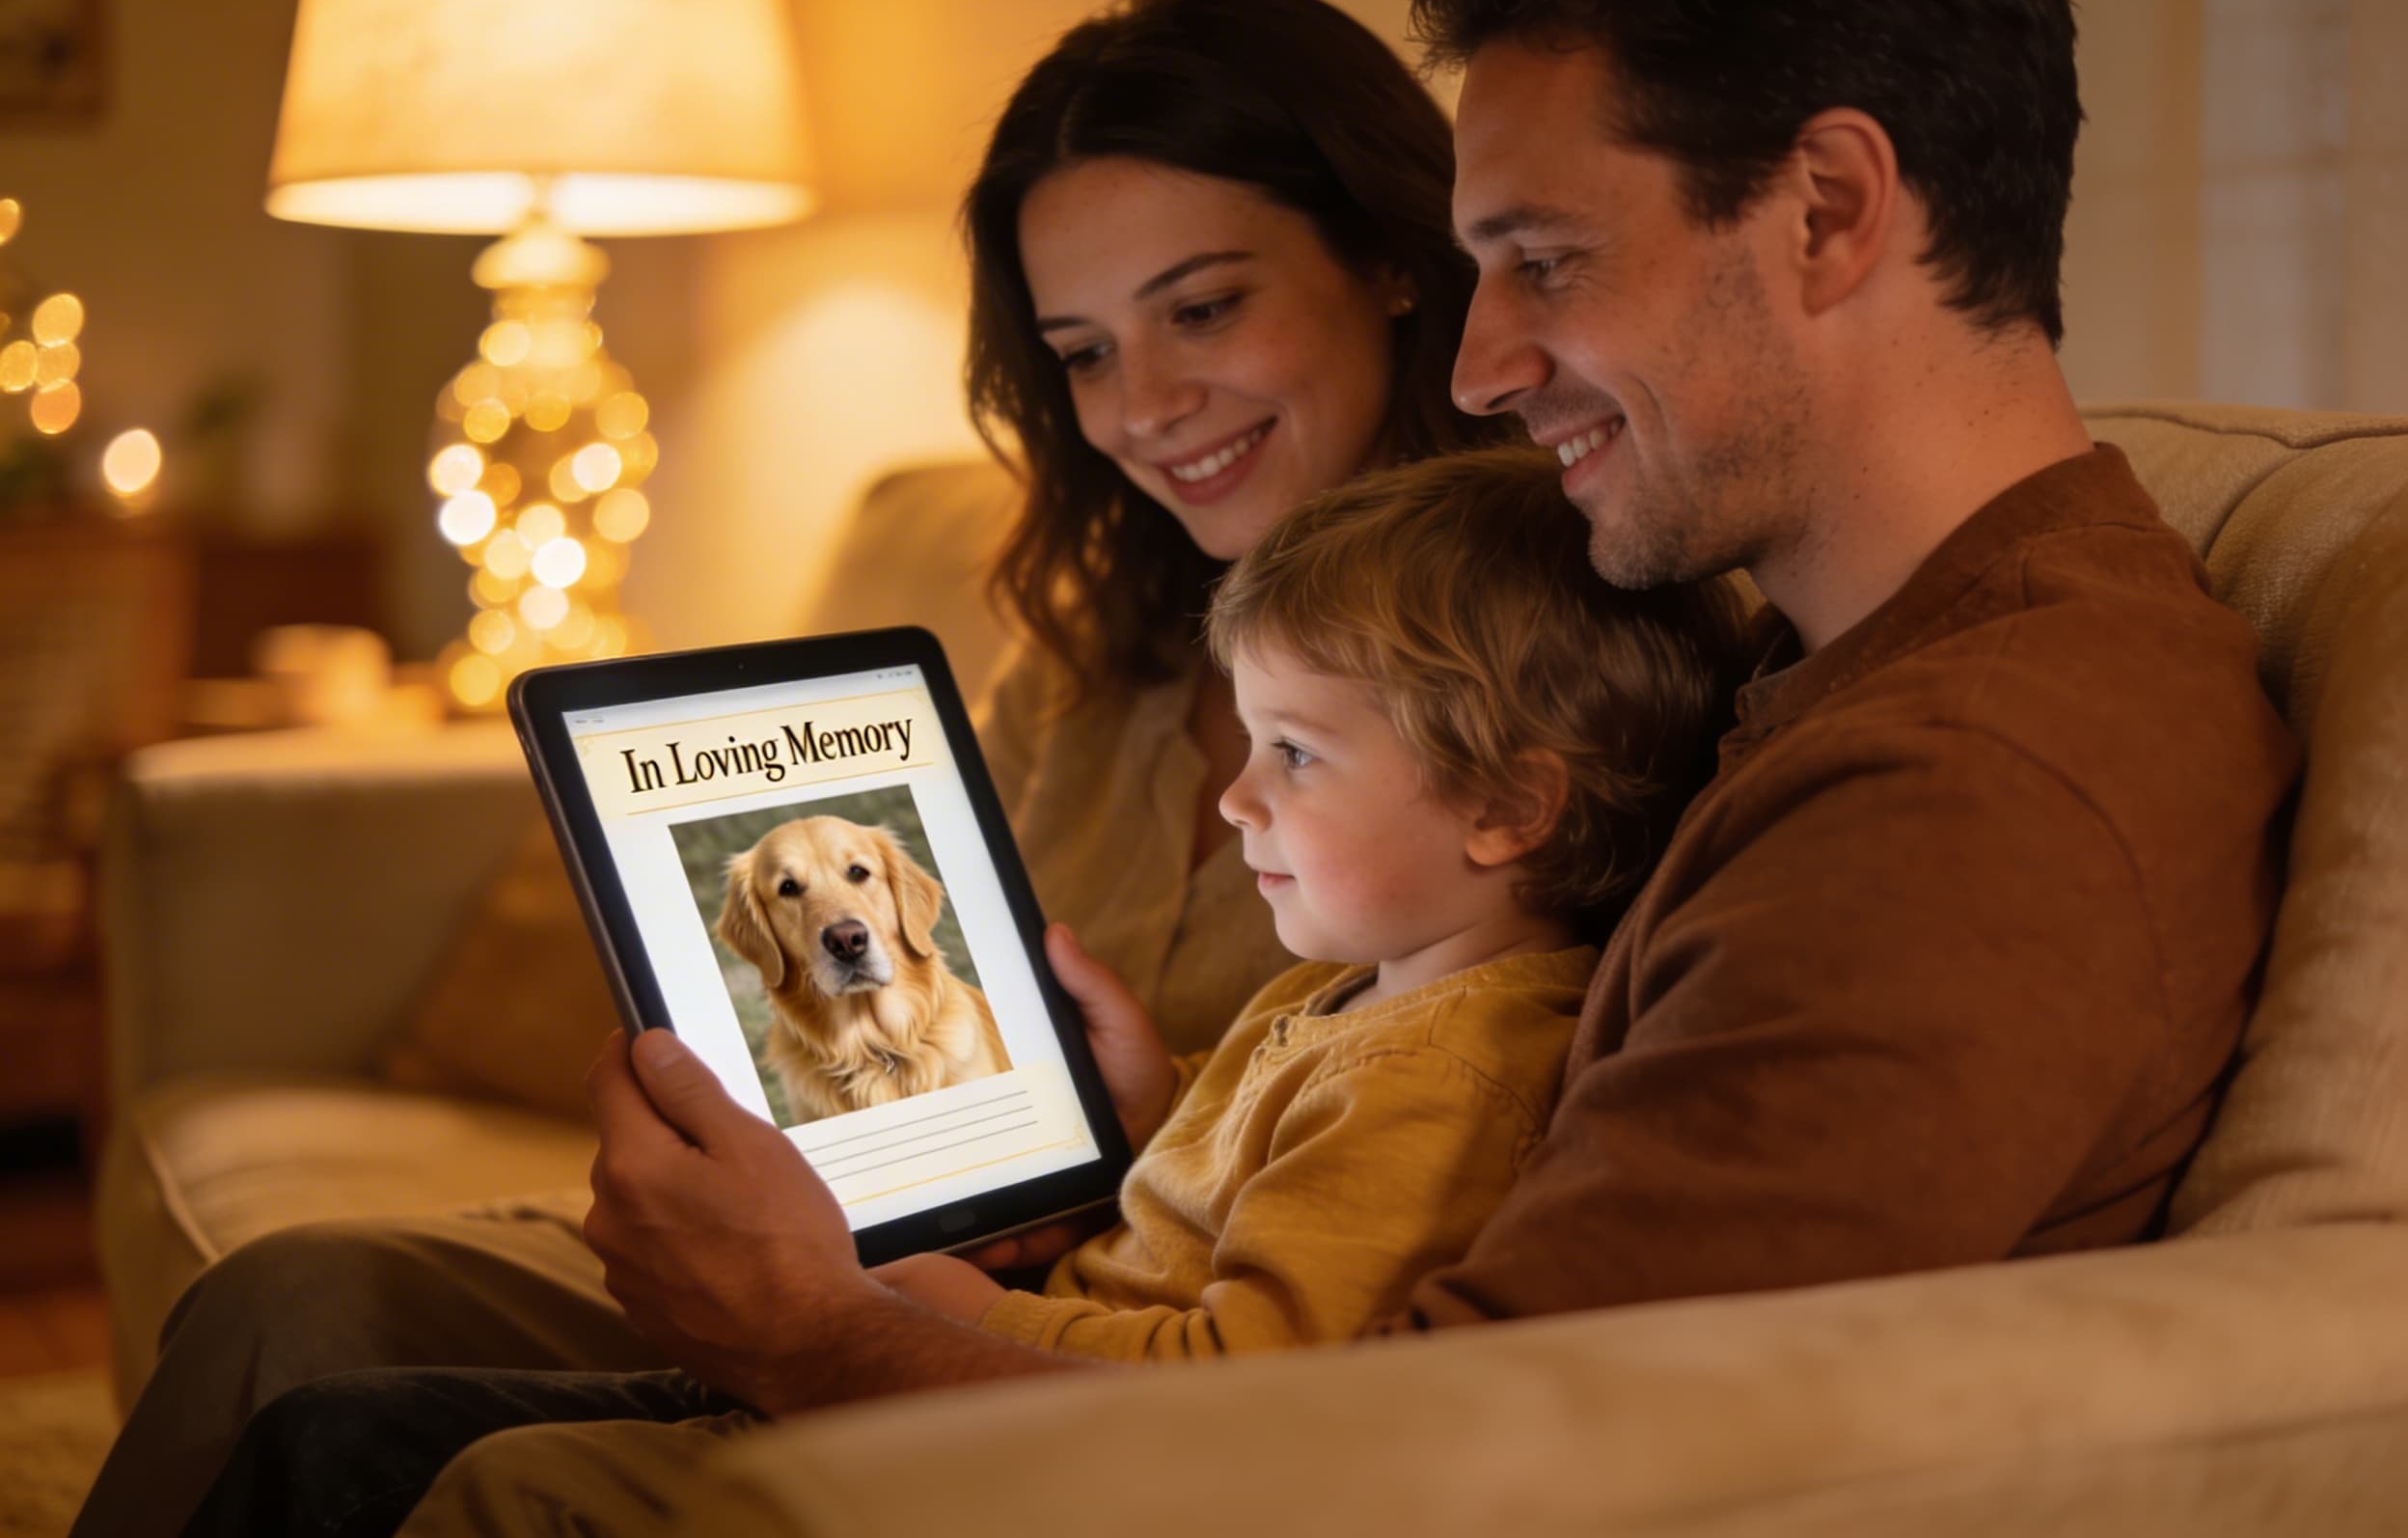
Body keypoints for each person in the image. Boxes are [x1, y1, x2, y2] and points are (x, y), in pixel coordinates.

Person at [345, 0, 2296, 1529]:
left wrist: (819, 1334)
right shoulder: (1839, 661)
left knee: (496, 1480)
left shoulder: (1968, 796)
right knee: (340, 1403)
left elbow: (1471, 1457)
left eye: (1543, 261)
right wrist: (1151, 1149)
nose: (1482, 358)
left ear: (1830, 207)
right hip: (1152, 1361)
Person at [72, 0, 1499, 1538]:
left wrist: (1035, 1208)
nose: (1143, 409)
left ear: (1389, 259)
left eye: (1205, 307)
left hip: (1082, 1328)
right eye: (1081, 351)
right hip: (924, 1229)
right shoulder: (1091, 653)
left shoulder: (1540, 670)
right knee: (294, 1296)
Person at [177, 453, 1750, 1533]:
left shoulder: (1452, 1069)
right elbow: (1246, 1208)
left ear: (1511, 808)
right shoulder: (1350, 998)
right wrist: (1149, 1107)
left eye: (1298, 755)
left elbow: (1260, 1387)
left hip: (997, 1426)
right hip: (976, 1361)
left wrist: (937, 1311)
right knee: (337, 1432)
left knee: (489, 1488)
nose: (1236, 800)